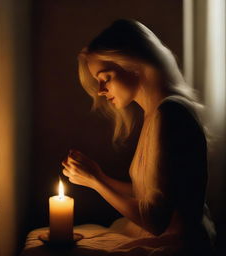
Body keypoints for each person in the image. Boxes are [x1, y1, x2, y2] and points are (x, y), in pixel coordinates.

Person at [62, 19, 216, 256]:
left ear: (133, 63)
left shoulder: (170, 113)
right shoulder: (156, 112)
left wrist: (96, 181)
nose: (101, 91)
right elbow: (146, 194)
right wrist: (97, 175)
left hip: (176, 246)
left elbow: (155, 222)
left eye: (106, 77)